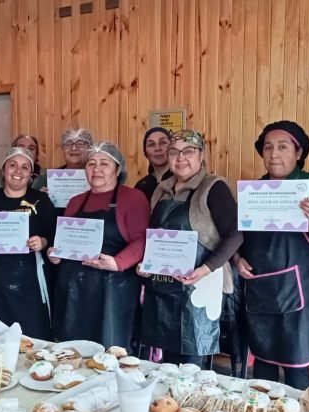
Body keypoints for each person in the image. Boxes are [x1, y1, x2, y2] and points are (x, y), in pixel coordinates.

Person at [234, 120, 309, 390]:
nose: (273, 154)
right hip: (260, 288)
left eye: (282, 146)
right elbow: (238, 237)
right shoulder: (254, 191)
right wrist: (237, 259)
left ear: (299, 152)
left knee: (297, 364)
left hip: (301, 290)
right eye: (268, 147)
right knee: (264, 363)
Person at [138, 130, 243, 366]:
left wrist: (206, 268)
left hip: (202, 285)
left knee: (192, 364)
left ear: (201, 155)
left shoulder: (213, 187)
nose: (180, 158)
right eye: (174, 152)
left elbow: (236, 233)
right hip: (163, 287)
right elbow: (155, 237)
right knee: (166, 362)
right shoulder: (161, 190)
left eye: (188, 151)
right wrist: (146, 262)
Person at [47, 142, 149, 349]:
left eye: (104, 163)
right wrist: (55, 253)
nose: (97, 169)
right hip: (73, 289)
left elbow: (142, 239)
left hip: (113, 288)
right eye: (91, 163)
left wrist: (118, 263)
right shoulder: (76, 201)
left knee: (110, 349)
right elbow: (65, 240)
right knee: (71, 350)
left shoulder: (133, 198)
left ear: (118, 169)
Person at [0, 147, 56, 339]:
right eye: (13, 165)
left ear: (30, 173)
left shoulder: (40, 200)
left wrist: (42, 241)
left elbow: (54, 235)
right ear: (4, 168)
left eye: (25, 167)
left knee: (33, 338)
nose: (18, 171)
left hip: (30, 282)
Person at [134, 127, 173, 201]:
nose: (157, 148)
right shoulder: (141, 186)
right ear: (145, 152)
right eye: (151, 144)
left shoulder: (181, 181)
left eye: (163, 142)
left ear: (172, 147)